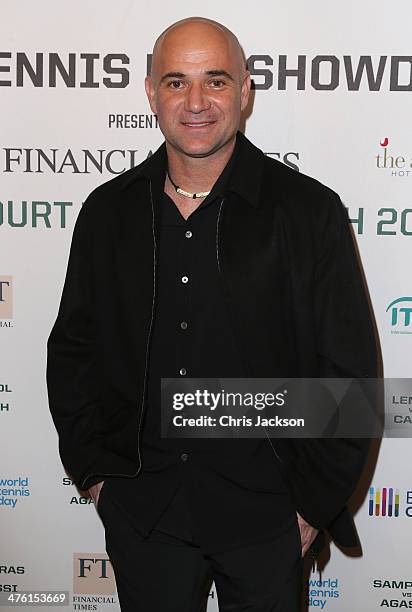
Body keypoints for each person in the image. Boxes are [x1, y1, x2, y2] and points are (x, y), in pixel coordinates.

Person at [47, 16, 379, 612]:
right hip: (144, 516)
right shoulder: (108, 213)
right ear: (150, 92)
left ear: (245, 91)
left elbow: (350, 375)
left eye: (215, 81)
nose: (195, 102)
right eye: (176, 82)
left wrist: (309, 506)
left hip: (269, 519)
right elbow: (74, 351)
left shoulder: (307, 213)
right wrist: (98, 478)